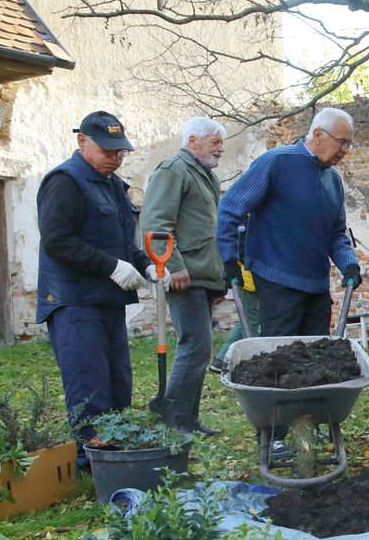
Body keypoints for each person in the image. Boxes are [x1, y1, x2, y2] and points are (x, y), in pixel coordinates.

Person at [215, 106, 362, 457]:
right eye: (342, 142)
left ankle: (309, 423)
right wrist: (229, 259)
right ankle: (275, 433)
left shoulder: (333, 181)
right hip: (276, 278)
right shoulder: (277, 163)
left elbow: (337, 234)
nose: (345, 150)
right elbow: (231, 207)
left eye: (348, 145)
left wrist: (349, 264)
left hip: (315, 284)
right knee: (277, 361)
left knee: (318, 361)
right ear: (317, 135)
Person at [36, 110, 158, 468]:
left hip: (106, 302)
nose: (116, 158)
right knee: (89, 388)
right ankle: (93, 464)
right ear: (82, 142)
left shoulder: (113, 186)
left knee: (118, 384)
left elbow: (122, 243)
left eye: (120, 152)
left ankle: (116, 455)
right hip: (73, 303)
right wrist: (111, 267)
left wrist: (144, 263)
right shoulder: (65, 182)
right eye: (108, 151)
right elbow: (57, 241)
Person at [139, 116, 227, 436]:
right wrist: (173, 266)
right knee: (195, 346)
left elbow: (206, 231)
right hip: (183, 274)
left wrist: (217, 279)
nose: (221, 149)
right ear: (192, 141)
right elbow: (156, 224)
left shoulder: (201, 175)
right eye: (215, 142)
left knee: (200, 349)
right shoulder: (173, 170)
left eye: (221, 143)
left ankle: (187, 419)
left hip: (201, 275)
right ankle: (172, 421)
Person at [209, 260, 259, 372]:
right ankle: (256, 359)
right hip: (248, 279)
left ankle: (221, 360)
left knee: (247, 320)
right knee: (251, 322)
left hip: (251, 277)